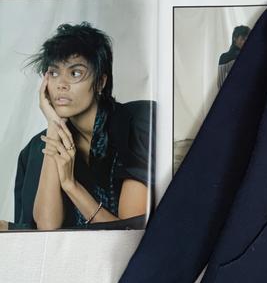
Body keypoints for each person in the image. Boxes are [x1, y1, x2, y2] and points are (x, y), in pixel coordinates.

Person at [0, 21, 156, 231]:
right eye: (54, 73)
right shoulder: (35, 149)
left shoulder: (138, 122)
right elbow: (46, 229)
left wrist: (70, 185)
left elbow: (130, 234)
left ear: (100, 82)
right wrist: (54, 125)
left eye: (75, 73)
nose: (61, 85)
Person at [217, 24, 250, 89]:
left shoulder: (250, 55)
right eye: (243, 39)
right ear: (235, 38)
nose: (245, 42)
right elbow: (220, 84)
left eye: (247, 39)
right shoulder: (225, 57)